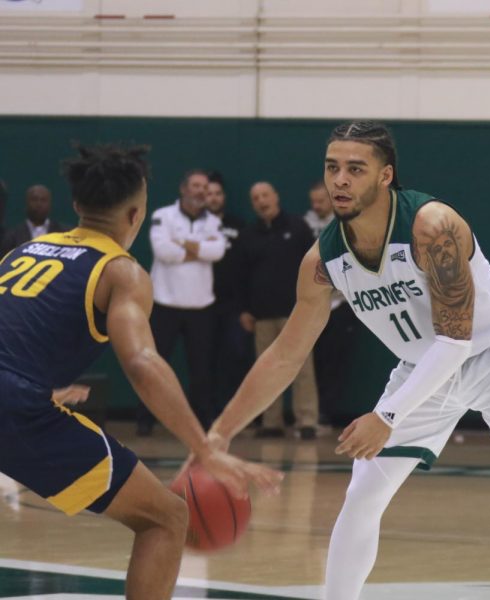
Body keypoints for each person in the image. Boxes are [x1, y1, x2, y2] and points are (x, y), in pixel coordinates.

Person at [210, 121, 490, 599]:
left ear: (385, 176)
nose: (339, 180)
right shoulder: (322, 261)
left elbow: (455, 342)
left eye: (355, 169)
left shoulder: (433, 227)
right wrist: (219, 433)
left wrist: (386, 415)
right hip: (423, 367)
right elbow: (284, 357)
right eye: (332, 168)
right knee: (362, 496)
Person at [0, 144, 282, 600]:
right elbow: (142, 362)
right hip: (18, 409)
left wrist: (40, 383)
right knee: (167, 518)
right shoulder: (121, 271)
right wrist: (203, 448)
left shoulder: (25, 250)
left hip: (20, 395)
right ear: (136, 214)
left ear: (75, 204)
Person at [136, 169, 224, 435]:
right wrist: (200, 249)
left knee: (201, 370)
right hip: (165, 303)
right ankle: (145, 421)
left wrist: (183, 242)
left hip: (201, 306)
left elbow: (217, 251)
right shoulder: (163, 215)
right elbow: (164, 252)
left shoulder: (213, 222)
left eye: (205, 187)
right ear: (184, 189)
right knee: (154, 365)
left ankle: (202, 426)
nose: (201, 191)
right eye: (196, 185)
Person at [236, 181, 319, 439]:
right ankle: (271, 421)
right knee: (266, 369)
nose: (262, 200)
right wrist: (245, 309)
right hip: (262, 315)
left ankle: (307, 420)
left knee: (302, 367)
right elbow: (241, 276)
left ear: (276, 196)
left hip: (296, 313)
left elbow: (315, 266)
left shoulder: (298, 228)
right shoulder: (248, 235)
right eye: (256, 197)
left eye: (265, 195)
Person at [304, 179, 354, 426]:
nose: (317, 205)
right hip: (315, 303)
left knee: (336, 360)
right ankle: (313, 413)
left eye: (321, 200)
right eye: (313, 202)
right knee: (315, 359)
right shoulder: (305, 225)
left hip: (341, 303)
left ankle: (328, 412)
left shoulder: (346, 223)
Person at [205, 172, 252, 416]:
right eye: (209, 194)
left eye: (217, 193)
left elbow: (246, 267)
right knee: (205, 360)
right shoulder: (195, 224)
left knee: (236, 355)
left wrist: (246, 306)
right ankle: (207, 413)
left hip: (234, 305)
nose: (213, 198)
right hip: (202, 304)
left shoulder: (238, 225)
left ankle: (234, 414)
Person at [0, 184, 70, 256]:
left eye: (43, 200)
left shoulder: (64, 233)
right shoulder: (12, 236)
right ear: (27, 203)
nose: (39, 204)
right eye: (34, 199)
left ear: (50, 204)